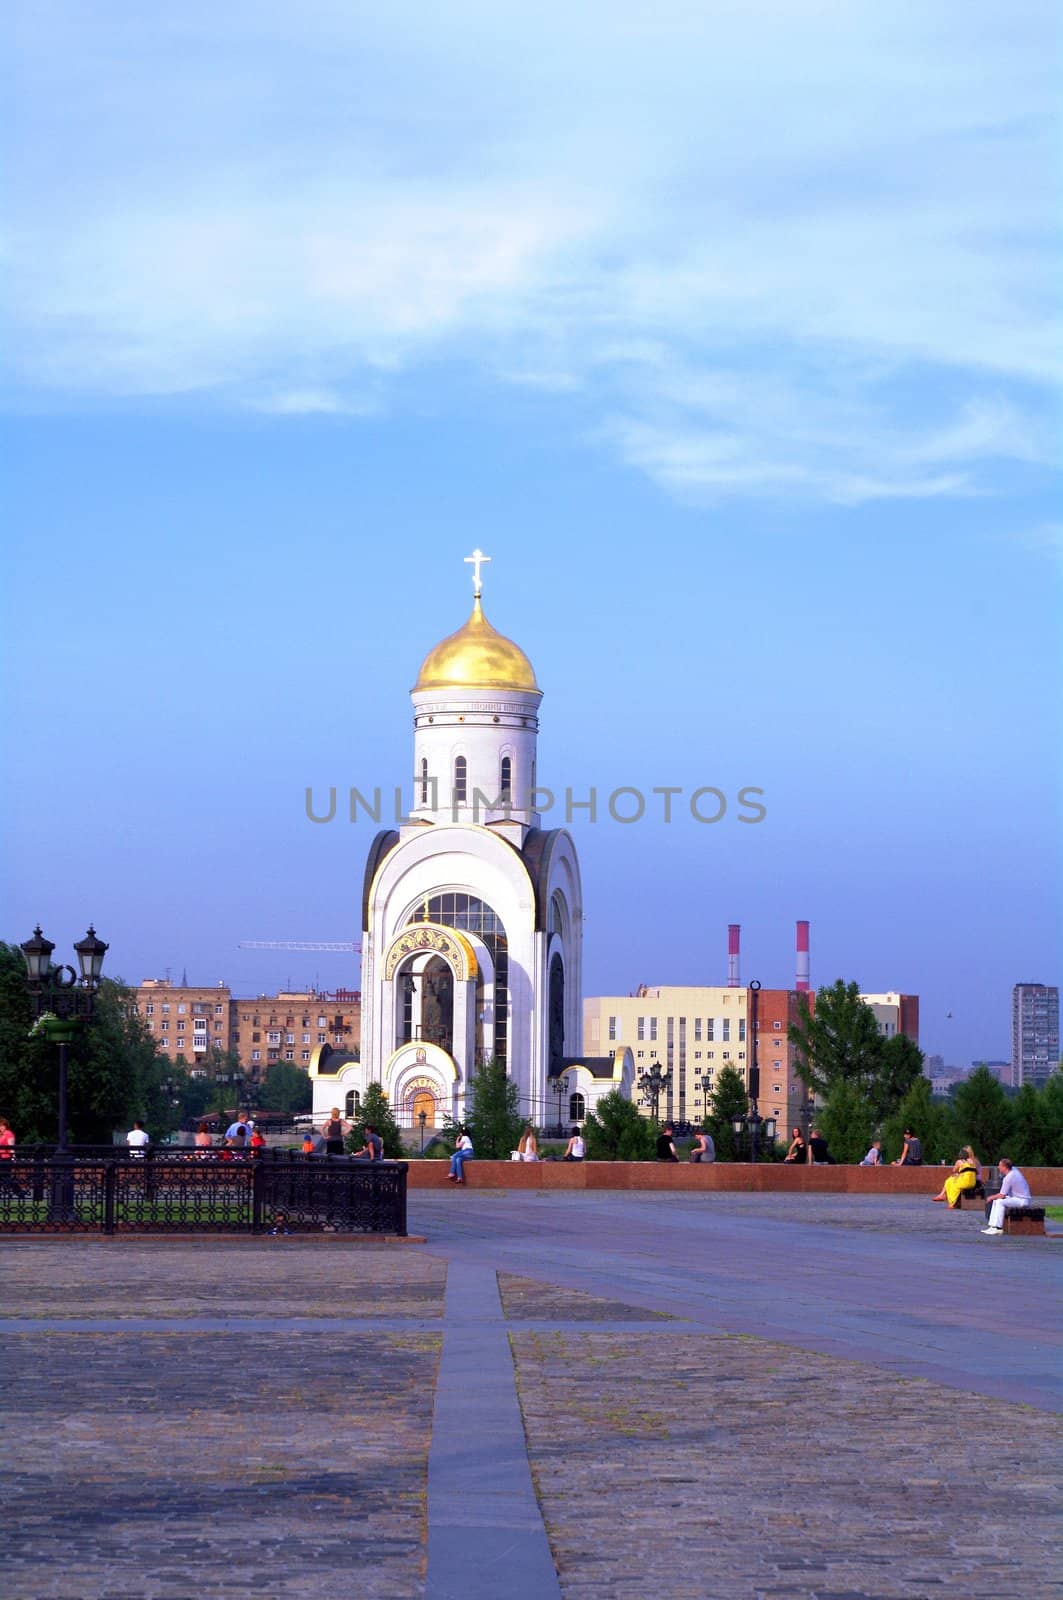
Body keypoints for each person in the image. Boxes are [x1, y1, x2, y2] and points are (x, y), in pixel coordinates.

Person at [982, 1159, 1031, 1234]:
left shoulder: (1009, 1177)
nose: (998, 1167)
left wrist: (990, 1197)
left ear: (1005, 1167)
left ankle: (998, 1228)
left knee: (1000, 1202)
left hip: (1022, 1200)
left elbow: (1002, 1195)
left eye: (1000, 1166)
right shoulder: (1013, 1170)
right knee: (996, 1201)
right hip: (1017, 1198)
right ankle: (992, 1226)